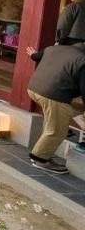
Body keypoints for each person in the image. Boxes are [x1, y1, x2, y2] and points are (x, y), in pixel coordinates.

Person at [24, 42, 85, 174]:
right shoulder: (83, 60)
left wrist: (32, 54)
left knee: (61, 116)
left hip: (33, 89)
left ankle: (45, 153)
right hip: (53, 95)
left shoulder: (54, 48)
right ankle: (40, 159)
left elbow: (37, 56)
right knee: (57, 130)